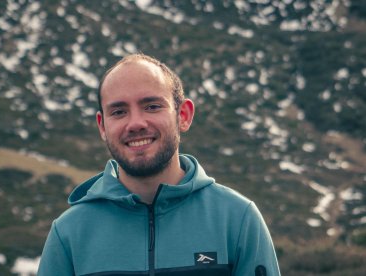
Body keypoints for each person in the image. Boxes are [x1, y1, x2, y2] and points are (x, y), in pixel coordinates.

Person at [38, 54, 281, 276]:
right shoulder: (69, 233)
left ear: (183, 115)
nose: (135, 123)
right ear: (102, 126)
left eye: (152, 106)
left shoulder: (238, 219)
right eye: (119, 111)